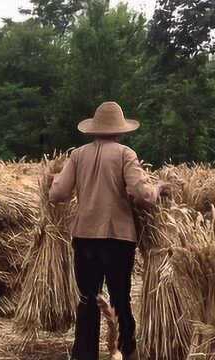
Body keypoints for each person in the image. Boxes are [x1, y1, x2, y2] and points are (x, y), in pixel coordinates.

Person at [47, 102, 169, 360]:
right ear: (120, 131)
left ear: (94, 130)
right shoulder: (126, 154)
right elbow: (143, 195)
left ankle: (84, 355)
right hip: (118, 239)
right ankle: (127, 352)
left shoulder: (78, 155)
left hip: (84, 237)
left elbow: (57, 194)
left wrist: (55, 182)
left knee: (87, 299)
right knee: (120, 298)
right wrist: (158, 188)